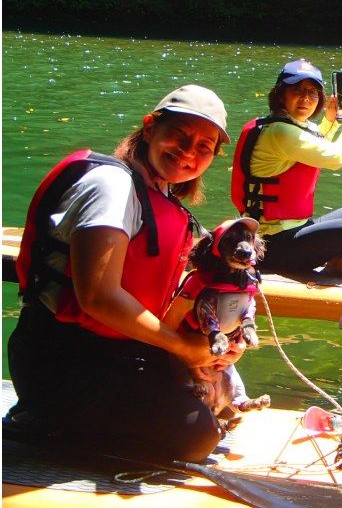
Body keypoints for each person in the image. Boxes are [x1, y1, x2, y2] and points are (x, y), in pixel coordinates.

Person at [5, 85, 237, 462]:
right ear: (149, 128)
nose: (188, 151)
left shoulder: (157, 192)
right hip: (62, 364)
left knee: (215, 401)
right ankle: (44, 426)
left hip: (116, 354)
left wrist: (209, 346)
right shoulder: (112, 186)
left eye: (203, 146)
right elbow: (98, 296)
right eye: (179, 135)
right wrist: (180, 348)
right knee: (196, 436)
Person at [231, 59, 342, 280]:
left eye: (312, 92)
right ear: (281, 94)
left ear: (319, 98)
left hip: (296, 229)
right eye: (297, 90)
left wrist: (331, 121)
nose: (305, 98)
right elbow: (337, 157)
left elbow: (313, 149)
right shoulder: (280, 133)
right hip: (271, 246)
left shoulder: (286, 126)